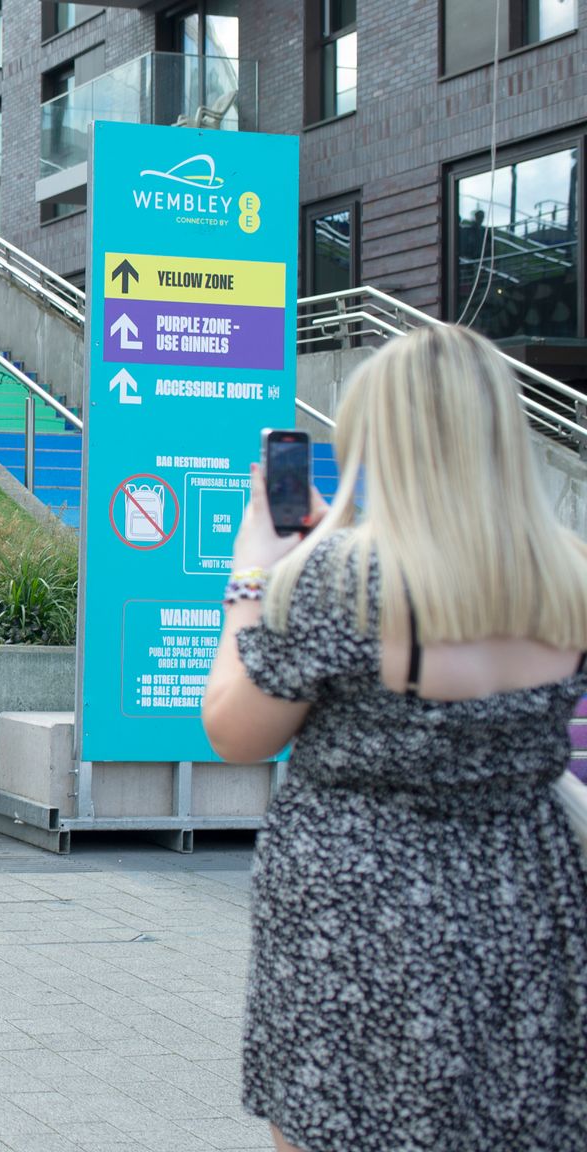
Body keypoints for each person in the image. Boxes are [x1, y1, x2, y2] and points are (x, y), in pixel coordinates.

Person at [201, 325, 587, 1152]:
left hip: (360, 914)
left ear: (383, 434)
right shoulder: (568, 575)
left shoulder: (342, 577)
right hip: (525, 900)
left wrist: (252, 575)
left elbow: (235, 731)